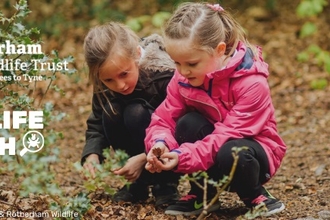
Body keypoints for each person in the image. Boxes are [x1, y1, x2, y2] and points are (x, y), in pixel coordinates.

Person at [144, 2, 287, 217]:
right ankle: (203, 194)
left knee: (232, 152)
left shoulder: (252, 83)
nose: (183, 71)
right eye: (177, 63)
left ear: (219, 50)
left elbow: (226, 135)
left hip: (253, 149)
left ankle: (253, 194)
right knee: (188, 123)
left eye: (191, 63)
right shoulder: (182, 78)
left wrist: (181, 156)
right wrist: (160, 144)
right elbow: (164, 119)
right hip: (209, 147)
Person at [81, 21, 180, 206]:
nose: (120, 85)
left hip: (167, 149)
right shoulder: (104, 82)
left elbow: (178, 127)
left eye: (124, 74)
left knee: (135, 113)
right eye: (109, 80)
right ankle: (138, 183)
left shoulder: (163, 75)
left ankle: (165, 184)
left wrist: (144, 158)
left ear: (136, 54)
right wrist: (92, 155)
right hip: (136, 152)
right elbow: (96, 121)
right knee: (111, 112)